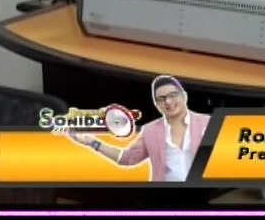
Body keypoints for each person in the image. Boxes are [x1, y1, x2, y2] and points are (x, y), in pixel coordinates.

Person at [68, 75, 210, 183]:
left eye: (172, 95)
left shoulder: (208, 123)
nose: (168, 102)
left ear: (184, 96)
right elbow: (126, 159)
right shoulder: (150, 131)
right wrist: (92, 143)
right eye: (161, 99)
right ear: (157, 105)